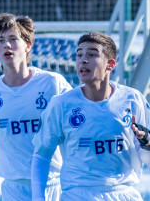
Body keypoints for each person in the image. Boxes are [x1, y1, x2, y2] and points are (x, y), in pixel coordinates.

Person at [32, 31, 150, 201]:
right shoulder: (61, 105)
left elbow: (146, 157)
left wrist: (147, 141)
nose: (83, 60)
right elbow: (41, 155)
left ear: (110, 64)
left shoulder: (133, 99)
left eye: (92, 54)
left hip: (124, 194)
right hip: (77, 195)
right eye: (79, 55)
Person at [0, 13, 71, 201]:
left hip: (54, 185)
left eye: (13, 39)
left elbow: (74, 130)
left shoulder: (52, 83)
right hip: (13, 189)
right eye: (0, 40)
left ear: (28, 45)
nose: (6, 45)